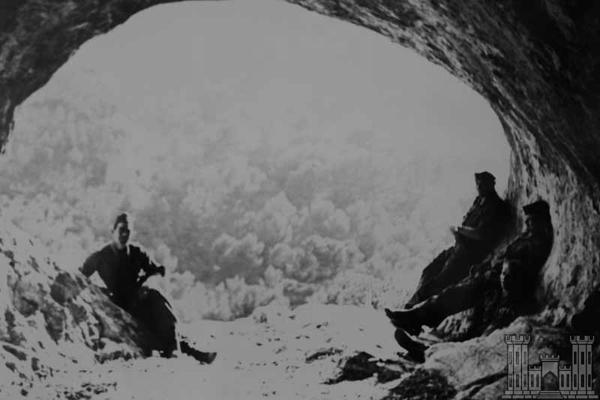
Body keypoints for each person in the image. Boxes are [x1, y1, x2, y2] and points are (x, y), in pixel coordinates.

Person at [386, 200, 553, 362]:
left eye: (532, 222)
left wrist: (498, 274)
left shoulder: (537, 242)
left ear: (541, 222)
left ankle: (429, 351)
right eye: (527, 222)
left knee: (487, 333)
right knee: (453, 295)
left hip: (509, 288)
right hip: (493, 281)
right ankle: (416, 320)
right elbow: (502, 259)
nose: (528, 225)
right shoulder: (525, 239)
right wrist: (485, 266)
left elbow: (519, 269)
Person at [81, 213, 217, 364]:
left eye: (128, 231)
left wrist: (147, 283)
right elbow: (80, 276)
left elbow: (157, 270)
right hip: (118, 304)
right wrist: (99, 291)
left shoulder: (137, 252)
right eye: (121, 229)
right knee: (155, 321)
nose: (124, 234)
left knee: (159, 309)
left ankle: (188, 352)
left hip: (138, 302)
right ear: (112, 231)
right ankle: (188, 352)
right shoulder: (100, 256)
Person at [406, 171, 509, 307]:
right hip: (460, 247)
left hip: (470, 255)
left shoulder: (495, 206)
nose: (478, 188)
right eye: (477, 185)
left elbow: (480, 234)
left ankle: (412, 307)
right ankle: (412, 302)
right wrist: (457, 232)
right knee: (429, 270)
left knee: (441, 281)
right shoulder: (479, 201)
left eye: (482, 185)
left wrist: (459, 230)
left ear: (490, 185)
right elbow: (467, 220)